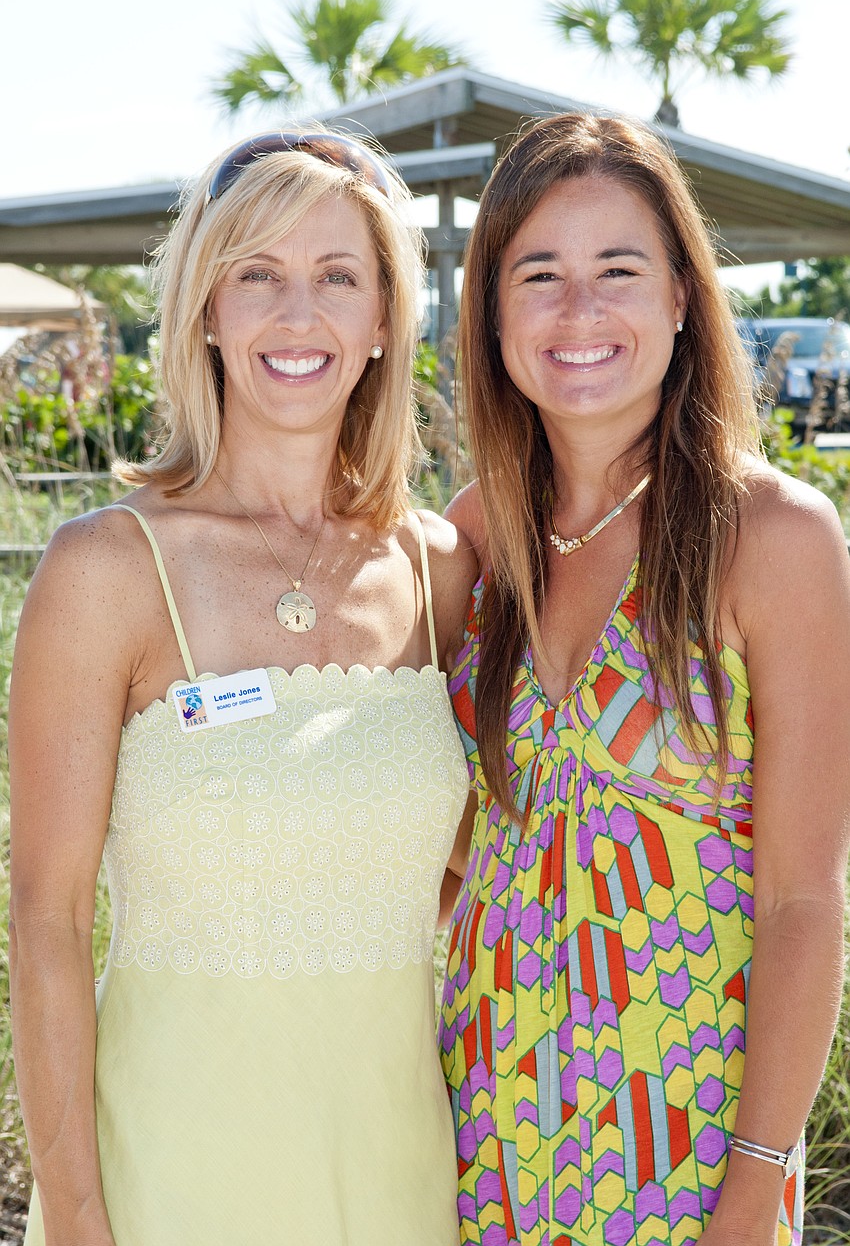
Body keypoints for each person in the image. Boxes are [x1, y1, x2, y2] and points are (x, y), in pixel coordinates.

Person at [9, 129, 476, 1245]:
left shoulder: (441, 572)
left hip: (405, 1174)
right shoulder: (105, 570)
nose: (296, 313)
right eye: (257, 273)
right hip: (168, 1176)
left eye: (337, 278)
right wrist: (75, 1218)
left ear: (379, 326)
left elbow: (481, 873)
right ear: (206, 310)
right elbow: (47, 921)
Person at [438, 112, 850, 1246]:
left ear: (679, 294)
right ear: (493, 313)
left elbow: (805, 900)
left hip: (690, 1157)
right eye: (539, 275)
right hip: (481, 1136)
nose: (579, 312)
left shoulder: (771, 535)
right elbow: (435, 850)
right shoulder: (473, 541)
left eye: (616, 270)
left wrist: (753, 1188)